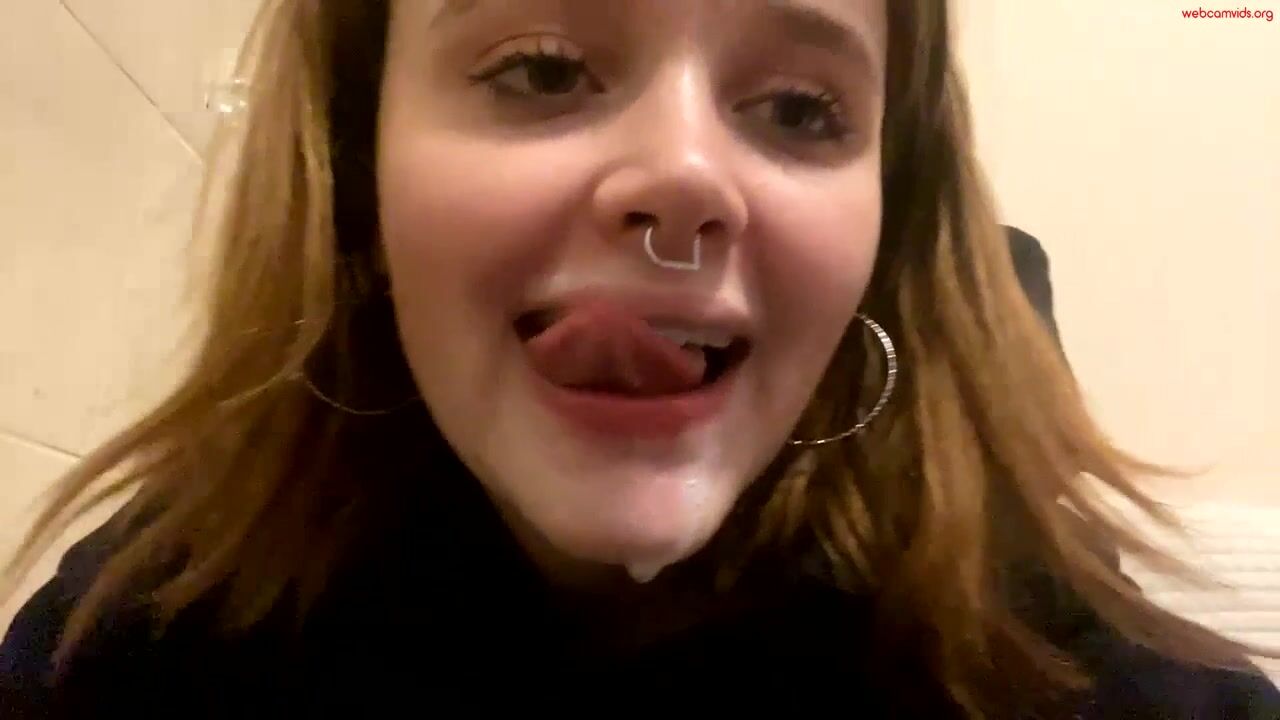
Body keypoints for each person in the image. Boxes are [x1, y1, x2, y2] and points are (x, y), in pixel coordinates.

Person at [2, 1, 1277, 716]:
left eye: (799, 109)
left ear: (885, 237)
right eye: (541, 70)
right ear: (354, 171)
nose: (683, 177)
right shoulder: (138, 646)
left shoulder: (1068, 683)